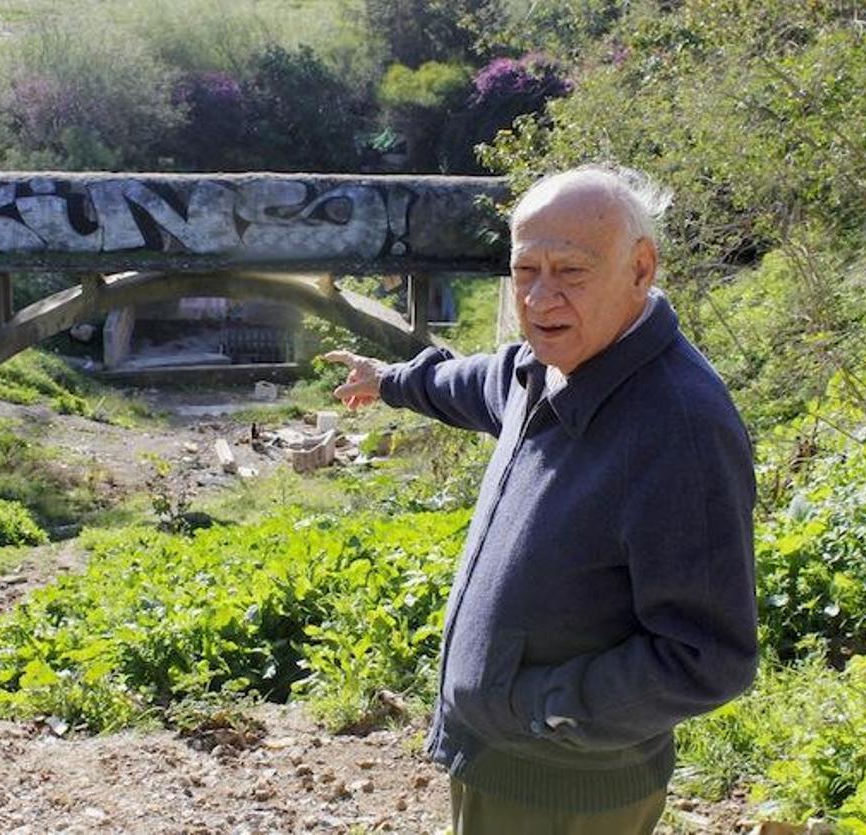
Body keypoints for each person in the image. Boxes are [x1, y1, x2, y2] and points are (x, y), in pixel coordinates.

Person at [323, 165, 758, 834]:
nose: (541, 297)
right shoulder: (545, 367)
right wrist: (387, 380)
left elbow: (707, 657)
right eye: (526, 270)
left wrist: (539, 707)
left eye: (571, 272)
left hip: (567, 791)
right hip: (504, 766)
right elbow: (470, 382)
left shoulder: (680, 427)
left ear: (640, 268)